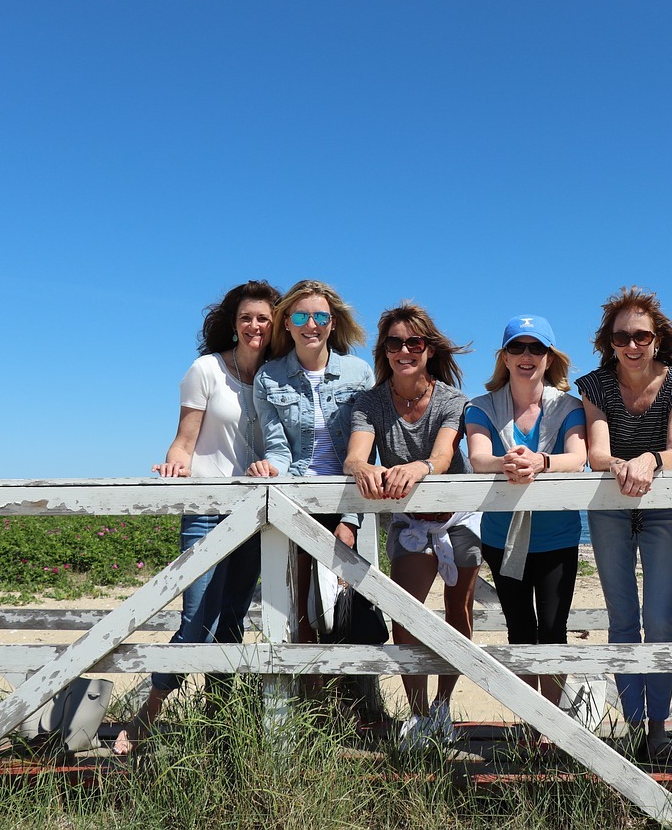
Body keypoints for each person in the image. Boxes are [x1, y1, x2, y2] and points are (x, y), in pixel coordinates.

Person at [114, 279, 281, 756]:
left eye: (264, 319)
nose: (255, 326)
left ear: (275, 326)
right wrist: (174, 466)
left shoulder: (277, 377)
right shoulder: (206, 370)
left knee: (232, 619)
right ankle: (149, 711)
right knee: (197, 619)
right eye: (247, 318)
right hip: (207, 510)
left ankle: (220, 722)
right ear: (233, 322)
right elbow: (184, 442)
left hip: (255, 515)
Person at [343, 302, 478, 747]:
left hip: (457, 517)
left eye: (414, 342)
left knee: (458, 613)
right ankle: (418, 715)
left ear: (429, 349)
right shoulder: (370, 402)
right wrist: (362, 467)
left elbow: (443, 455)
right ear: (384, 350)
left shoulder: (452, 400)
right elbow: (355, 455)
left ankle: (443, 707)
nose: (405, 350)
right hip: (410, 521)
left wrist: (420, 467)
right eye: (395, 343)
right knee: (405, 615)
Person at [576, 286, 672, 760]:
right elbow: (598, 454)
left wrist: (649, 459)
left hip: (664, 507)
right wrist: (623, 465)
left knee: (661, 619)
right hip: (609, 506)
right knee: (622, 618)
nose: (632, 344)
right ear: (609, 342)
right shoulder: (595, 384)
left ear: (657, 338)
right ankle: (632, 725)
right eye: (621, 336)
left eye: (641, 335)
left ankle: (659, 728)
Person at [246, 280, 373, 691]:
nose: (310, 325)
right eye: (300, 316)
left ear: (332, 322)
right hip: (296, 499)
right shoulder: (269, 378)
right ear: (287, 322)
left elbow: (365, 450)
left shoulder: (358, 373)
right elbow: (279, 449)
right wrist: (270, 468)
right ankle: (311, 700)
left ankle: (353, 701)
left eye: (320, 316)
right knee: (299, 603)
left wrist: (350, 518)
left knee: (348, 605)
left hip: (348, 496)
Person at [465, 315, 587, 731]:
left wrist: (541, 462)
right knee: (519, 629)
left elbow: (578, 458)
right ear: (504, 357)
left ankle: (552, 726)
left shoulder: (569, 407)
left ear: (549, 357)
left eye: (536, 348)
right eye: (517, 347)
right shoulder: (480, 407)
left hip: (557, 538)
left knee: (553, 630)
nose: (526, 355)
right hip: (502, 539)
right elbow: (478, 458)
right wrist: (509, 463)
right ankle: (529, 722)